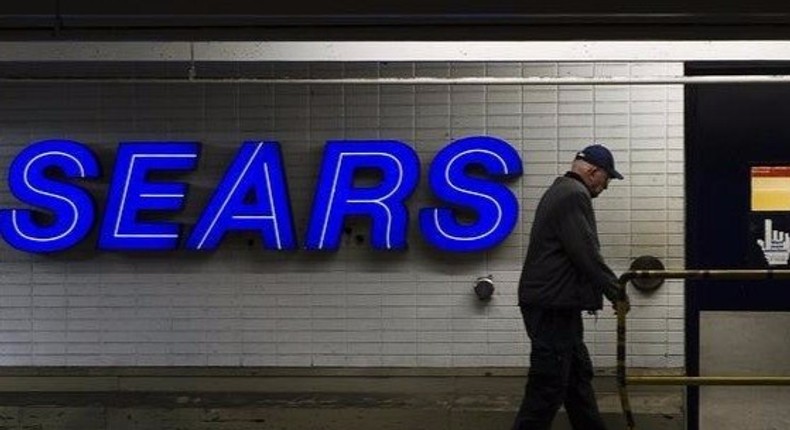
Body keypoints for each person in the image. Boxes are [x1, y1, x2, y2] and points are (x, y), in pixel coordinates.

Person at [512, 144, 630, 430]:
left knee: (577, 382)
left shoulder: (562, 191)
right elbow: (586, 253)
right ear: (593, 171)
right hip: (552, 305)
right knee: (548, 387)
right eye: (607, 179)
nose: (606, 186)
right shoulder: (572, 195)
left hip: (556, 304)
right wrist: (616, 292)